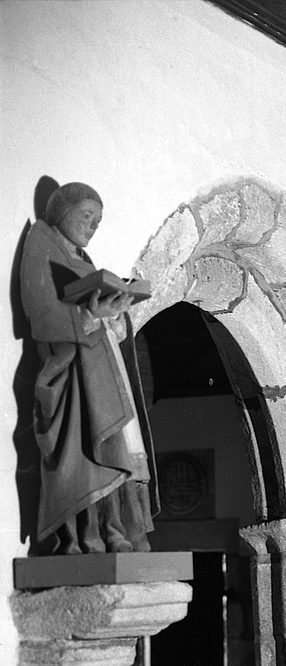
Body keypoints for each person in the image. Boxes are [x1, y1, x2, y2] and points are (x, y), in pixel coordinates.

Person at [20, 181, 158, 554]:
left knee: (117, 443)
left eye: (97, 221)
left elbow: (95, 314)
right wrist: (89, 317)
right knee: (84, 449)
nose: (92, 226)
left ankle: (117, 529)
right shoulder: (40, 247)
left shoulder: (83, 261)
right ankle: (87, 535)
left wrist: (114, 314)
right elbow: (41, 315)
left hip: (101, 369)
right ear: (61, 212)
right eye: (86, 216)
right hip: (74, 373)